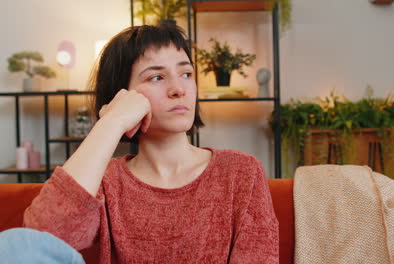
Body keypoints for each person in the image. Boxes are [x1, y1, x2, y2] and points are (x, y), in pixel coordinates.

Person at [2, 24, 279, 263]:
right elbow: (41, 240)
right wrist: (111, 122)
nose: (179, 89)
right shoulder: (107, 181)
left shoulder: (240, 171)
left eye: (186, 74)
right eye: (156, 77)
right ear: (122, 95)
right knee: (13, 246)